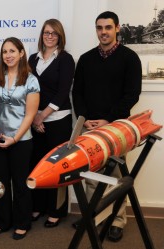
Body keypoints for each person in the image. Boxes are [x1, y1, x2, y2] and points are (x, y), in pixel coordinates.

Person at [72, 11, 142, 242]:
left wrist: (108, 119)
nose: (103, 32)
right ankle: (96, 216)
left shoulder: (130, 58)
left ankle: (117, 221)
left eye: (108, 28)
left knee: (115, 175)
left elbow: (132, 95)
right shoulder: (86, 59)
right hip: (90, 126)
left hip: (117, 127)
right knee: (91, 177)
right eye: (99, 28)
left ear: (117, 29)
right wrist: (85, 117)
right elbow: (78, 92)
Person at [0, 37, 40, 240]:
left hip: (21, 140)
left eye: (12, 51)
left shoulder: (31, 80)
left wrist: (15, 139)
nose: (8, 55)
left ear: (21, 53)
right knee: (0, 183)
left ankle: (22, 222)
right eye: (5, 52)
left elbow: (30, 115)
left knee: (20, 183)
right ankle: (2, 221)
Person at [28, 19, 75, 228]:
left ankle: (56, 210)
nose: (49, 36)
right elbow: (28, 89)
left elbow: (63, 92)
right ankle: (38, 206)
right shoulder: (32, 59)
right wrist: (34, 118)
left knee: (57, 166)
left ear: (59, 36)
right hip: (35, 120)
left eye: (53, 33)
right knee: (37, 164)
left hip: (57, 119)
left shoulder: (65, 59)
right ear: (42, 35)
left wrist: (42, 116)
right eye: (46, 32)